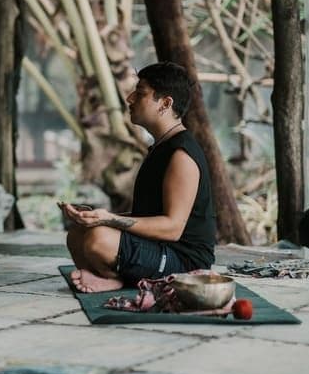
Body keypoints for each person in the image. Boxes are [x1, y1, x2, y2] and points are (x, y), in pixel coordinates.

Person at [63, 62, 216, 293]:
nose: (130, 98)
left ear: (165, 104)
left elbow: (172, 228)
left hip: (184, 262)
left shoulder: (181, 154)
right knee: (77, 233)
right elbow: (146, 217)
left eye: (141, 93)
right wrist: (96, 216)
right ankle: (113, 278)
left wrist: (108, 221)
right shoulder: (160, 147)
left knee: (99, 239)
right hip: (158, 247)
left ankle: (118, 280)